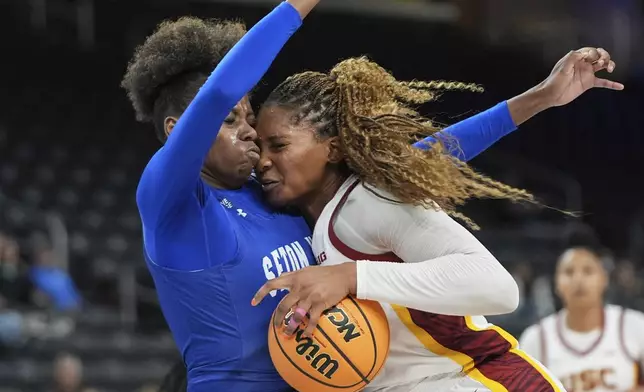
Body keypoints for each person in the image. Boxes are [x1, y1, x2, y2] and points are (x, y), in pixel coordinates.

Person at [120, 0, 584, 390]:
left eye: (250, 118)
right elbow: (218, 89)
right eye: (228, 120)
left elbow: (414, 159)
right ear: (180, 132)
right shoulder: (173, 205)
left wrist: (537, 99)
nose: (249, 133)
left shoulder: (273, 193)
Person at [252, 47, 623, 391]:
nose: (262, 160)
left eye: (279, 145)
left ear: (332, 148)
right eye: (259, 146)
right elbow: (440, 149)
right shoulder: (323, 214)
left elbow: (498, 287)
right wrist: (541, 96)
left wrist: (351, 275)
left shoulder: (368, 202)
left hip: (479, 380)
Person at [519, 245, 644, 392]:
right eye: (569, 272)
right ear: (557, 284)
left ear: (604, 280)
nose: (578, 280)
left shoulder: (634, 325)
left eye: (588, 271)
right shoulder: (536, 338)